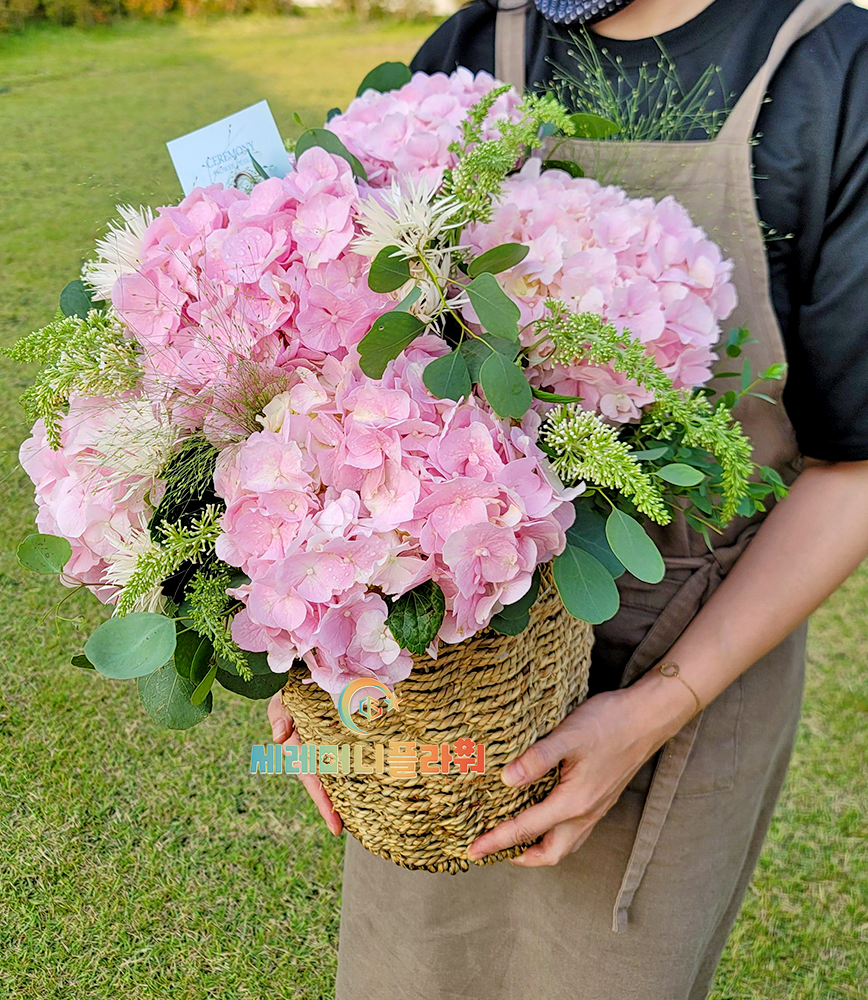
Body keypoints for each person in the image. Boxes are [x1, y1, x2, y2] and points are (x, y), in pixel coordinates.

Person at [268, 1, 868, 996]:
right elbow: (345, 365)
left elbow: (855, 468)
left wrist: (654, 710)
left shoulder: (830, 75)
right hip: (445, 679)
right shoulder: (471, 53)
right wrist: (314, 654)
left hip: (689, 655)